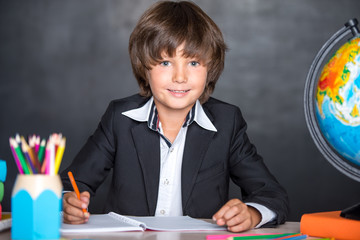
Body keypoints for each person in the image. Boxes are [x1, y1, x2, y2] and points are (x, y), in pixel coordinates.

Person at [60, 0, 289, 232]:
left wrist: (251, 213)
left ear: (210, 68)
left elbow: (271, 194)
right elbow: (71, 184)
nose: (180, 77)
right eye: (166, 62)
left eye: (193, 62)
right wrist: (68, 201)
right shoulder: (119, 118)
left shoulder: (227, 122)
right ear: (144, 67)